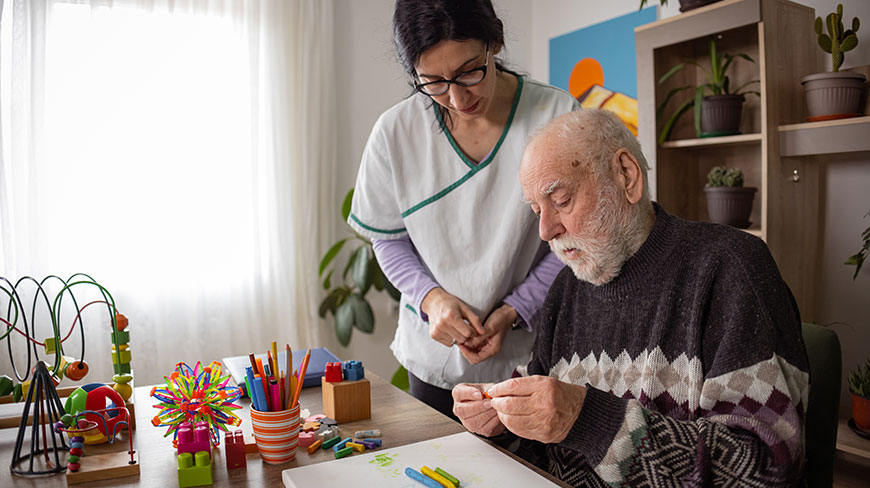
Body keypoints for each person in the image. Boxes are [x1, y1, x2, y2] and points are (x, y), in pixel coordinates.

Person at [452, 109, 810, 486]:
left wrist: (587, 421)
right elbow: (545, 433)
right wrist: (502, 420)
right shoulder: (565, 289)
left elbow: (766, 466)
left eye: (561, 199)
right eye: (536, 210)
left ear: (626, 175)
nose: (545, 231)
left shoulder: (732, 270)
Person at [347, 0, 578, 419]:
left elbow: (571, 239)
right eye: (432, 82)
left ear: (496, 42)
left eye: (470, 71)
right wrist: (431, 299)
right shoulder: (395, 133)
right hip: (433, 363)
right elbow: (388, 238)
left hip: (531, 358)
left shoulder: (557, 117)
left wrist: (515, 310)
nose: (455, 97)